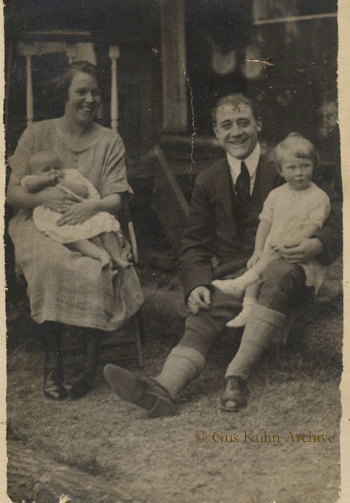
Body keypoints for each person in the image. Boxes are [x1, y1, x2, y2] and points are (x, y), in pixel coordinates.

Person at [103, 92, 341, 416]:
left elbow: (335, 219)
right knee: (207, 306)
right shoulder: (208, 179)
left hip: (288, 267)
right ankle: (164, 388)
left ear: (257, 124)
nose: (236, 132)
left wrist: (317, 244)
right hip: (235, 275)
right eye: (226, 125)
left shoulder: (290, 165)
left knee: (275, 273)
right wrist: (197, 283)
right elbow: (194, 243)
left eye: (243, 122)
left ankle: (236, 377)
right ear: (216, 132)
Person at [7, 61, 144, 401]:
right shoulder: (36, 134)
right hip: (38, 222)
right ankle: (54, 364)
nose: (90, 99)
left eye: (95, 92)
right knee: (51, 261)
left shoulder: (109, 140)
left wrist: (90, 207)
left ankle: (88, 366)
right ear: (64, 95)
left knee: (95, 265)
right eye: (81, 91)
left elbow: (116, 195)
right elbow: (11, 193)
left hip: (91, 221)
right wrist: (45, 198)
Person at [213, 133, 331, 328]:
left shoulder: (319, 197)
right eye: (291, 168)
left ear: (314, 166)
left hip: (299, 253)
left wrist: (292, 241)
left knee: (267, 259)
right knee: (257, 262)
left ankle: (239, 284)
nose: (299, 173)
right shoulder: (276, 194)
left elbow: (314, 225)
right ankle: (248, 307)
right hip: (272, 250)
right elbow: (265, 223)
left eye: (305, 166)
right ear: (281, 170)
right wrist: (257, 250)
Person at [22, 150, 131, 269]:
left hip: (83, 210)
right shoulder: (32, 180)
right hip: (58, 217)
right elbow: (29, 185)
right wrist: (47, 180)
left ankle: (117, 257)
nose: (53, 172)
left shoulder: (69, 176)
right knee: (75, 238)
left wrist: (61, 182)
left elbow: (83, 192)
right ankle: (100, 254)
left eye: (56, 167)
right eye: (46, 169)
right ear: (34, 173)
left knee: (105, 226)